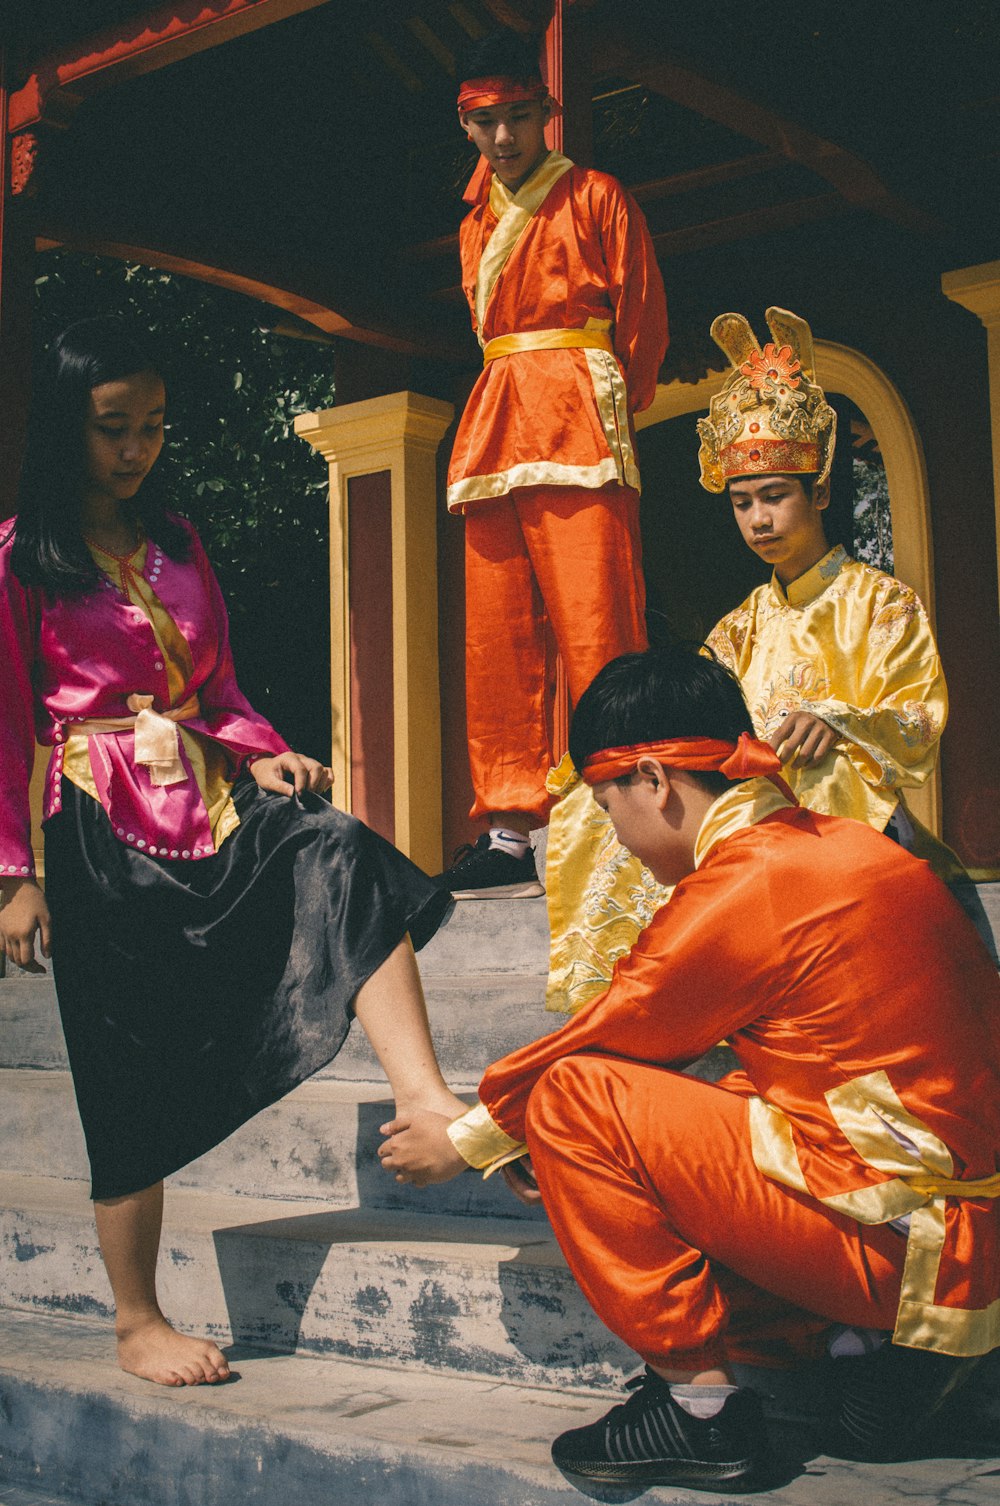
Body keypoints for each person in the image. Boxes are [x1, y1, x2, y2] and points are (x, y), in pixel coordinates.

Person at [378, 645, 1000, 1489]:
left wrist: (464, 1136)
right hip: (959, 1232)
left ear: (653, 779)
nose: (618, 837)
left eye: (606, 806)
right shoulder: (851, 848)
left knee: (571, 1101)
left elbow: (610, 1029)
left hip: (917, 1248)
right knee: (725, 1087)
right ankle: (859, 1358)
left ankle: (702, 1414)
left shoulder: (754, 881)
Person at [0, 318, 467, 1389]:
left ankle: (425, 1095)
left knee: (337, 845)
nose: (136, 450)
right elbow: (1, 724)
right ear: (67, 426)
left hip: (209, 789)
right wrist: (12, 875)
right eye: (113, 429)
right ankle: (134, 1320)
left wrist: (258, 753)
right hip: (94, 820)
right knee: (122, 1063)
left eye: (153, 428)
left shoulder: (177, 539)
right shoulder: (21, 559)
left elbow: (217, 688)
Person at [545, 305, 959, 1015]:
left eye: (775, 497)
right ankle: (630, 998)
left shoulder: (882, 604)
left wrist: (838, 719)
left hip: (841, 813)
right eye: (743, 504)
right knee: (597, 801)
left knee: (818, 766)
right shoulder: (739, 627)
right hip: (741, 804)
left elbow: (920, 718)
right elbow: (684, 715)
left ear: (819, 492)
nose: (759, 520)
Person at [434, 29, 668, 899]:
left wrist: (605, 395)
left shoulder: (596, 196)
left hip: (574, 402)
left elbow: (642, 321)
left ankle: (622, 800)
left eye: (520, 117)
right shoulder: (475, 220)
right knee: (496, 634)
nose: (504, 138)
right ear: (465, 125)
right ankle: (506, 829)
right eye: (486, 122)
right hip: (499, 409)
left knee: (596, 618)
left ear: (547, 114)